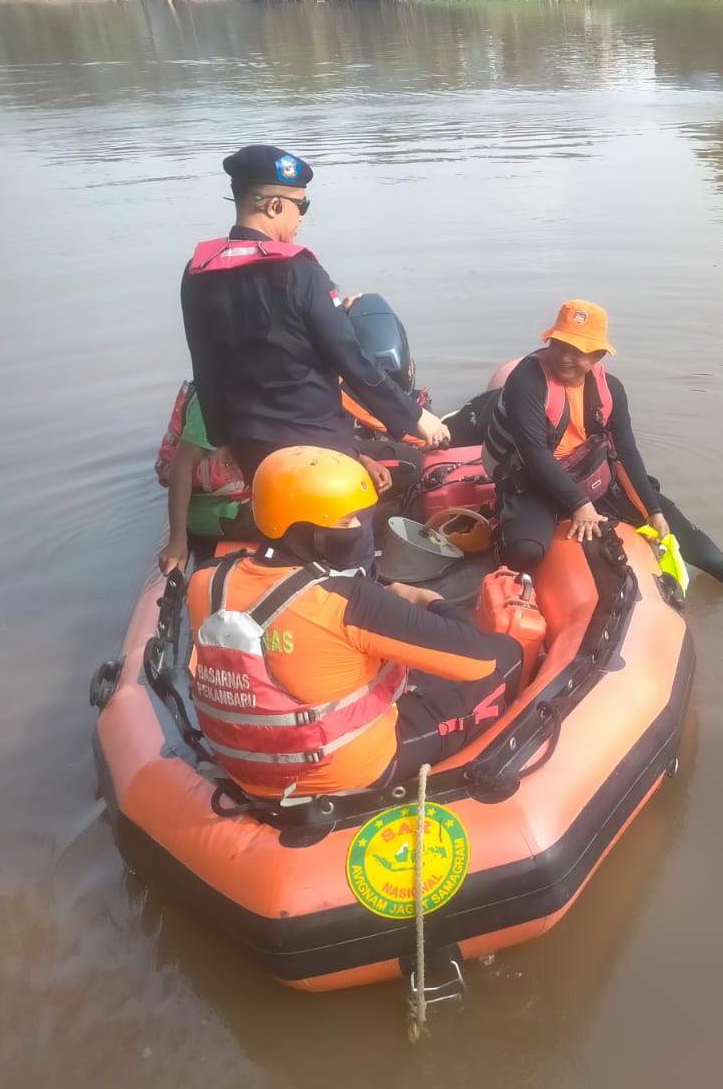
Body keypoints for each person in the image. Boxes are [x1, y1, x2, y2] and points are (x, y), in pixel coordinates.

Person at [186, 446, 524, 800]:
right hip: (347, 770)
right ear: (305, 528)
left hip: (244, 766)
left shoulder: (205, 582)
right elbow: (478, 661)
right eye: (346, 521)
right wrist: (432, 602)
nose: (357, 529)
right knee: (506, 654)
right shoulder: (349, 601)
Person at [179, 144, 450, 493]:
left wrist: (221, 437)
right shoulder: (300, 271)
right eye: (301, 205)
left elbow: (204, 364)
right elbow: (353, 359)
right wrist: (415, 417)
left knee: (282, 531)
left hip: (254, 451)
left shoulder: (198, 272)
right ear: (274, 206)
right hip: (318, 449)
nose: (302, 217)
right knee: (352, 534)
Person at [481, 300, 723, 590]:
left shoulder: (611, 390)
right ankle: (500, 539)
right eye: (559, 345)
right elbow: (534, 453)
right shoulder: (527, 381)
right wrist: (579, 504)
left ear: (598, 355)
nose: (565, 357)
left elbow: (626, 452)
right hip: (531, 479)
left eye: (577, 350)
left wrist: (651, 509)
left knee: (663, 512)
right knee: (526, 551)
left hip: (583, 473)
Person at [155, 381, 260, 576]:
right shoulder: (214, 401)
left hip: (236, 505)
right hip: (219, 514)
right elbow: (182, 465)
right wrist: (177, 540)